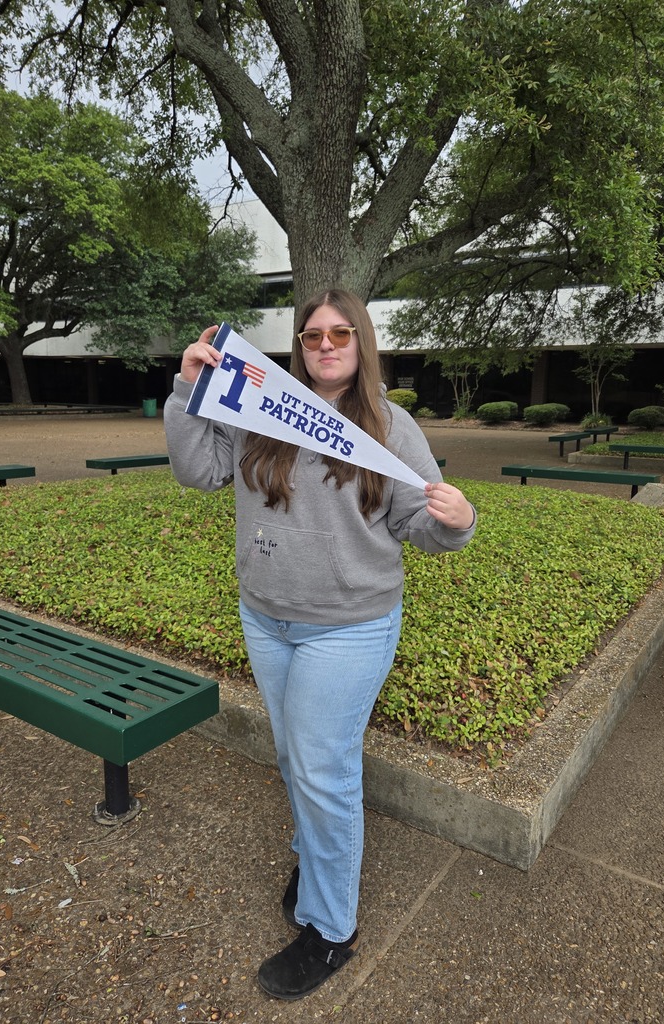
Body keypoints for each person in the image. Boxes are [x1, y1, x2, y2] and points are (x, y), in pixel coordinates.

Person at [164, 288, 476, 1001]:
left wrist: (457, 521)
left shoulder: (391, 429)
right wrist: (188, 387)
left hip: (351, 626)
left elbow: (420, 527)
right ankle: (313, 855)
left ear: (360, 343)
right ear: (298, 347)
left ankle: (331, 930)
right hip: (267, 616)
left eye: (340, 334)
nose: (326, 345)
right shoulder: (260, 408)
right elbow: (199, 470)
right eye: (311, 336)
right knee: (292, 755)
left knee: (322, 770)